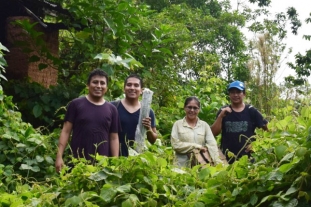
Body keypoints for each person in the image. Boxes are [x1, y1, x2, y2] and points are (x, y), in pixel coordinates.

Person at [55, 69, 120, 172]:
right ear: (88, 85)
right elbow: (66, 131)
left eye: (102, 83)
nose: (98, 86)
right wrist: (59, 157)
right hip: (77, 163)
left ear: (106, 88)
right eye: (95, 82)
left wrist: (115, 162)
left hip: (102, 166)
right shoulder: (76, 104)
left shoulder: (112, 110)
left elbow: (114, 138)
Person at [211, 80, 268, 164]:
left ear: (244, 94)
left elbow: (269, 130)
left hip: (248, 160)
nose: (235, 95)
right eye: (232, 92)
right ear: (229, 95)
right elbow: (213, 133)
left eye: (238, 92)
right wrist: (220, 116)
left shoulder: (251, 111)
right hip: (227, 160)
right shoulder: (224, 111)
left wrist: (257, 143)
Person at [111, 74, 157, 157]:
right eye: (129, 85)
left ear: (141, 90)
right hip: (112, 158)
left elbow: (153, 140)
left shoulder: (148, 112)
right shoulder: (113, 107)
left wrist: (149, 128)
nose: (132, 88)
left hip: (135, 161)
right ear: (124, 88)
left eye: (136, 85)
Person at [171, 96, 223, 167]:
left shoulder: (204, 125)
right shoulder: (177, 124)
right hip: (181, 168)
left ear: (199, 110)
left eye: (195, 108)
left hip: (200, 167)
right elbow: (175, 145)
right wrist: (196, 146)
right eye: (189, 107)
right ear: (184, 108)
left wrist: (218, 164)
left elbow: (212, 145)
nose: (192, 110)